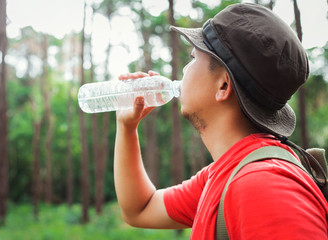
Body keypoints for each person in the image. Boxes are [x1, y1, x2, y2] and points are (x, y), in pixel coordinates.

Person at [114, 3, 328, 239]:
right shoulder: (224, 175)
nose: (184, 70)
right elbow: (139, 209)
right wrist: (127, 127)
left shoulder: (262, 187)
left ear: (223, 85)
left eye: (193, 57)